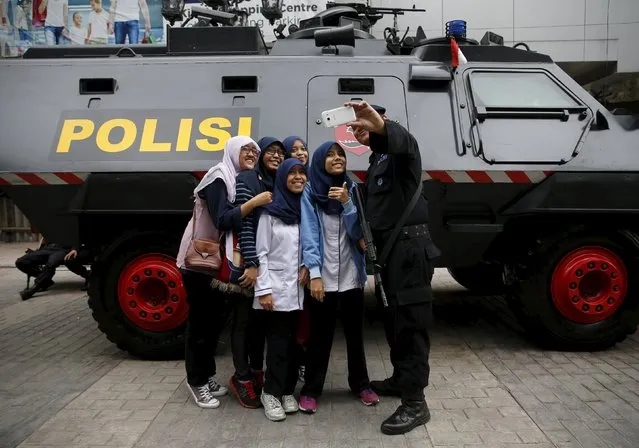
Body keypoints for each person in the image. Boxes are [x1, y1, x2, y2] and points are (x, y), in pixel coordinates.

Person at [345, 101, 441, 435]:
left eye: (369, 124)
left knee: (411, 325)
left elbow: (399, 140)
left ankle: (416, 403)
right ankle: (402, 379)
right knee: (394, 321)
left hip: (410, 254)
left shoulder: (403, 151)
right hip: (389, 255)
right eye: (358, 127)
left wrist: (380, 126)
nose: (362, 130)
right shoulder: (377, 160)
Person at [176, 135, 272, 409]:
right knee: (200, 325)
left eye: (255, 150)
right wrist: (254, 203)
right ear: (232, 150)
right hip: (198, 263)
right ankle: (196, 382)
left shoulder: (235, 178)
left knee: (211, 323)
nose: (252, 153)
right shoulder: (218, 177)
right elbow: (222, 218)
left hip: (214, 264)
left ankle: (205, 377)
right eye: (246, 149)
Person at [297, 141, 380, 414]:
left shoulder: (353, 188)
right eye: (330, 155)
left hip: (351, 276)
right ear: (320, 161)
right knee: (320, 337)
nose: (337, 159)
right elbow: (309, 235)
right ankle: (311, 390)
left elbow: (357, 234)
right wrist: (316, 274)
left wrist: (347, 204)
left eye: (341, 154)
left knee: (356, 335)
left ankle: (361, 385)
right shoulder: (311, 191)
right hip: (324, 276)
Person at [223, 136, 286, 408]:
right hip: (252, 265)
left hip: (268, 265)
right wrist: (251, 263)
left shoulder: (274, 182)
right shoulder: (249, 179)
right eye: (270, 152)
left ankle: (256, 372)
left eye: (279, 153)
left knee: (259, 324)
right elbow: (245, 225)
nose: (276, 156)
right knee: (243, 322)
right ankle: (241, 376)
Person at [254, 158, 308, 421]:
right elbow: (261, 253)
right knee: (278, 344)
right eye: (292, 173)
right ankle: (270, 392)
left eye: (302, 173)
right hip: (275, 290)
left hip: (298, 290)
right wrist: (263, 289)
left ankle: (287, 390)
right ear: (282, 178)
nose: (298, 177)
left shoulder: (304, 210)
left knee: (295, 344)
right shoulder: (270, 213)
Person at [283, 135, 310, 383]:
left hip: (309, 265)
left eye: (303, 149)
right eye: (294, 150)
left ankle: (303, 363)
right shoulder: (282, 191)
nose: (301, 153)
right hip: (287, 268)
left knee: (307, 319)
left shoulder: (315, 184)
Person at [16, 237, 92, 300]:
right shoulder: (51, 224)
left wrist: (74, 249)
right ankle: (45, 280)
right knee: (21, 262)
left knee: (51, 263)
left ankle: (32, 290)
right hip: (47, 248)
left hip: (63, 249)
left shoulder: (70, 222)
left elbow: (76, 237)